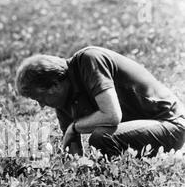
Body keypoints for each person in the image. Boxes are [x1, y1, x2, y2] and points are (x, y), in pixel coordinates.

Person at [15, 46, 185, 158]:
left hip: (171, 124)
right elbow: (73, 151)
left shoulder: (89, 60)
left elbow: (111, 115)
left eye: (40, 98)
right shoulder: (63, 98)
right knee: (102, 139)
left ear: (55, 85)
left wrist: (74, 127)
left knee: (101, 138)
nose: (42, 105)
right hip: (147, 128)